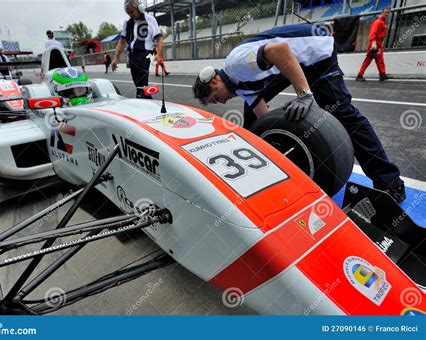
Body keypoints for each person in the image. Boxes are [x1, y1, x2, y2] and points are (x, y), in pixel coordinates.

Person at [192, 23, 406, 202]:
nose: (220, 102)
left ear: (214, 81)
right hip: (295, 62)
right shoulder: (241, 86)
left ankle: (390, 184)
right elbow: (263, 117)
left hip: (316, 54)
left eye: (214, 97)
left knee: (343, 114)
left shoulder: (236, 65)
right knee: (253, 120)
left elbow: (280, 50)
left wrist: (304, 95)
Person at [111, 0, 164, 98]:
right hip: (132, 56)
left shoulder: (150, 19)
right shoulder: (127, 23)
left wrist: (159, 53)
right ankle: (150, 104)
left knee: (141, 85)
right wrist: (116, 58)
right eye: (128, 13)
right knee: (139, 85)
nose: (130, 14)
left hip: (145, 55)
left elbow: (159, 38)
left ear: (139, 8)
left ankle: (143, 106)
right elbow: (122, 41)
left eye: (132, 12)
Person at [356, 7, 391, 82]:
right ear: (382, 13)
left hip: (378, 43)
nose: (387, 14)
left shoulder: (382, 22)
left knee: (379, 59)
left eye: (388, 13)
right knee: (368, 60)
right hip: (375, 43)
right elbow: (372, 33)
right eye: (386, 12)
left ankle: (382, 74)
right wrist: (374, 44)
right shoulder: (378, 22)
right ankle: (359, 75)